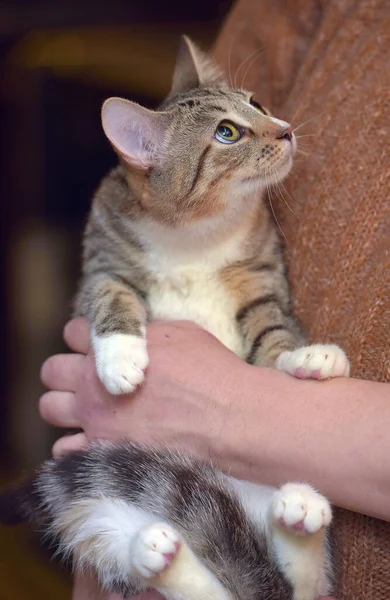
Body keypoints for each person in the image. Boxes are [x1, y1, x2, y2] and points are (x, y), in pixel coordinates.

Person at [39, 0, 390, 599]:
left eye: (257, 111)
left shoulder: (246, 233)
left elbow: (264, 318)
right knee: (103, 520)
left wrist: (238, 406)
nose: (280, 129)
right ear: (147, 157)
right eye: (234, 127)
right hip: (162, 497)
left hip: (261, 502)